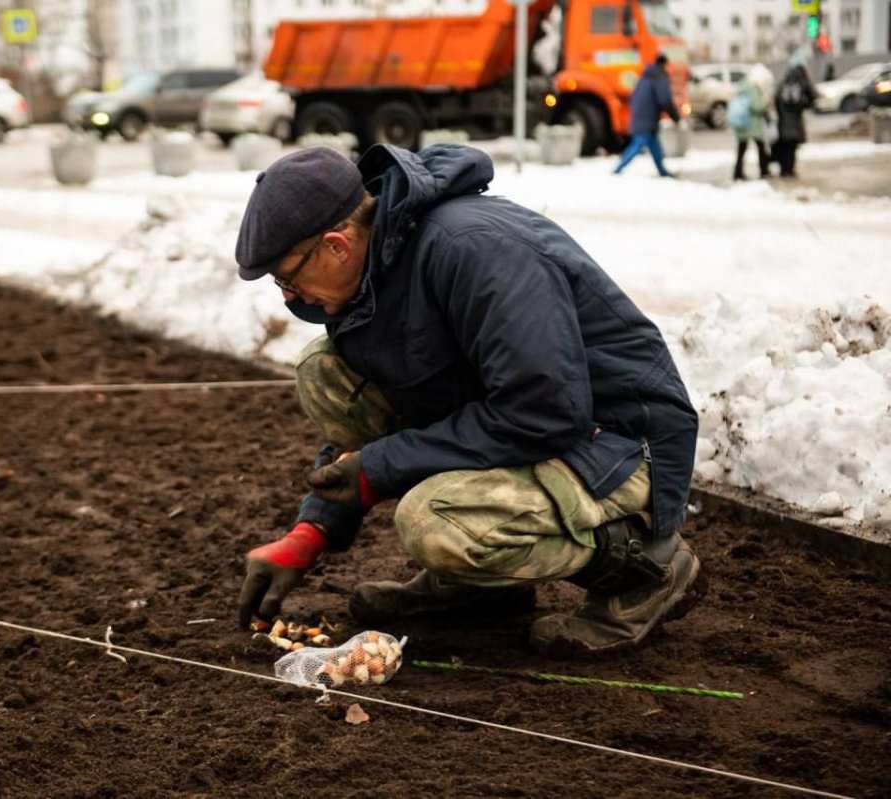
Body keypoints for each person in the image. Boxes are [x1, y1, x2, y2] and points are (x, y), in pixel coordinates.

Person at [234, 145, 703, 659]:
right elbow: (400, 410)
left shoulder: (475, 249)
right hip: (537, 426)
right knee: (324, 370)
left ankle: (645, 570)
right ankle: (482, 590)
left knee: (437, 522)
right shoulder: (377, 273)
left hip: (618, 443)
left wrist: (382, 465)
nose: (288, 295)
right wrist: (312, 530)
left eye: (287, 276)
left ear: (336, 245)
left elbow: (544, 411)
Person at [613, 54, 679, 178]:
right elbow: (665, 100)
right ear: (664, 64)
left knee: (654, 146)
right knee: (638, 144)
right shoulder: (659, 77)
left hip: (640, 116)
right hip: (647, 119)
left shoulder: (644, 77)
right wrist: (676, 117)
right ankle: (617, 169)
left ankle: (663, 172)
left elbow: (633, 98)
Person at [772, 55, 817, 178]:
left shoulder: (785, 80)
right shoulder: (801, 79)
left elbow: (776, 98)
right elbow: (812, 95)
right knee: (792, 146)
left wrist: (781, 113)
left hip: (783, 119)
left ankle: (784, 170)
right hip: (795, 119)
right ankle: (789, 170)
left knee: (785, 145)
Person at [728, 64, 774, 181]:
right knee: (760, 147)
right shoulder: (752, 88)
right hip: (751, 124)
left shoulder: (742, 85)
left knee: (742, 149)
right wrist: (765, 104)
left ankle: (738, 172)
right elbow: (756, 106)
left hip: (741, 122)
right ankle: (764, 171)